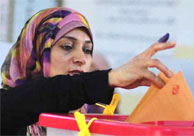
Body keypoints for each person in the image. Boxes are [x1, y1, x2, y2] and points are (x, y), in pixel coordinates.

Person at [0, 7, 175, 135]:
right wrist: (109, 77)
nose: (81, 58)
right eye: (67, 46)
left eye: (87, 50)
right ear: (35, 52)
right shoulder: (8, 107)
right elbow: (48, 93)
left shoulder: (86, 121)